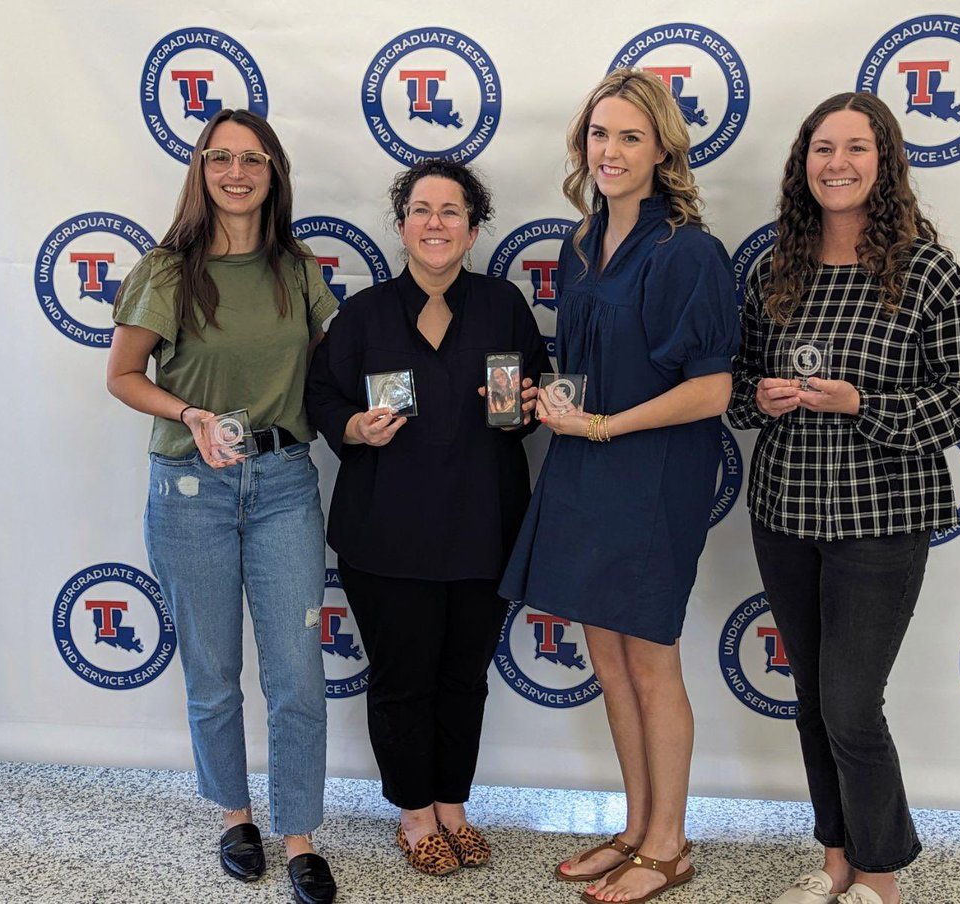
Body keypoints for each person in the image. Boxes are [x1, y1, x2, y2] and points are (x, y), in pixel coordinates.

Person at [727, 92, 960, 904]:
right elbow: (734, 390)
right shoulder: (779, 267)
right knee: (813, 702)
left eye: (854, 148)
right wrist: (761, 398)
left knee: (849, 705)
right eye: (821, 149)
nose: (835, 164)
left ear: (886, 163)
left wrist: (862, 405)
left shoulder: (924, 269)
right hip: (785, 516)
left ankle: (880, 877)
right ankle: (836, 858)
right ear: (801, 164)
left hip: (882, 522)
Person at [499, 69, 740, 904]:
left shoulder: (690, 251)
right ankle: (637, 828)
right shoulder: (580, 241)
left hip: (653, 472)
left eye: (631, 136)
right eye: (600, 135)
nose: (611, 151)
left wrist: (601, 425)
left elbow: (712, 390)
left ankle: (670, 847)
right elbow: (595, 363)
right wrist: (557, 404)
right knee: (607, 654)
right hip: (584, 463)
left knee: (650, 659)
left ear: (664, 148)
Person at [107, 108, 338, 904]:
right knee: (211, 672)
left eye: (254, 160)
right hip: (191, 492)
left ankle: (300, 832)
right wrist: (190, 416)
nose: (237, 173)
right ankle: (235, 815)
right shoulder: (167, 271)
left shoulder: (297, 268)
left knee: (297, 677)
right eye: (221, 159)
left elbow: (338, 362)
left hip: (282, 486)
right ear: (201, 171)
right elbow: (125, 376)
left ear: (273, 174)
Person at [304, 159, 549, 876]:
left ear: (473, 230)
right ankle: (415, 813)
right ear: (402, 223)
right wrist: (354, 427)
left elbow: (527, 402)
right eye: (421, 210)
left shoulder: (504, 305)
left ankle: (454, 804)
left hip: (483, 528)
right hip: (387, 536)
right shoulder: (364, 315)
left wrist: (522, 410)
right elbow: (322, 398)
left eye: (451, 212)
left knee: (463, 678)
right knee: (403, 678)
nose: (435, 223)